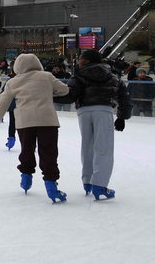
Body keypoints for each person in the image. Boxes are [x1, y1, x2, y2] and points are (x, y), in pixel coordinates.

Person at [0, 54, 70, 202]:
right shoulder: (47, 76)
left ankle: (26, 179)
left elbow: (2, 101)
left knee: (27, 149)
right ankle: (51, 186)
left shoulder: (13, 81)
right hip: (47, 121)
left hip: (24, 121)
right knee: (48, 152)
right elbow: (64, 90)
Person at [55, 48, 131, 200]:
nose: (79, 62)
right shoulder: (112, 75)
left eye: (81, 59)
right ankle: (100, 184)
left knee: (87, 146)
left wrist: (49, 97)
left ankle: (88, 181)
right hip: (104, 110)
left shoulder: (78, 75)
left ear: (87, 61)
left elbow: (70, 96)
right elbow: (124, 96)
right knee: (103, 147)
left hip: (84, 112)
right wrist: (122, 117)